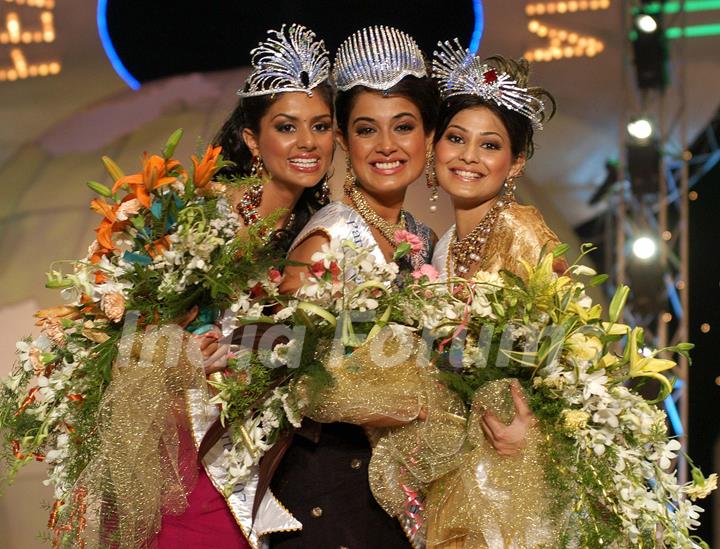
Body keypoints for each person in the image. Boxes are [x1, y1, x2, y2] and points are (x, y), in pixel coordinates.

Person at [155, 24, 335, 549]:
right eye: (287, 127)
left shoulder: (317, 232)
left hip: (255, 459)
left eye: (321, 126)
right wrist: (184, 352)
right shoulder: (198, 216)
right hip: (179, 449)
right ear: (253, 139)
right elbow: (128, 327)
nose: (307, 142)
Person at [267, 26, 439, 548]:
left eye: (403, 127)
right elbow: (278, 372)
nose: (386, 146)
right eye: (367, 130)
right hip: (326, 490)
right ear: (343, 142)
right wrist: (388, 406)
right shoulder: (328, 236)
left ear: (429, 138)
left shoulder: (423, 241)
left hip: (398, 496)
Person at [426, 42, 562, 548]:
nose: (468, 156)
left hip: (515, 473)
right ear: (435, 146)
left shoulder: (521, 231)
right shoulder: (441, 249)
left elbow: (571, 356)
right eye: (456, 138)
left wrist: (537, 436)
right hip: (461, 468)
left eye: (490, 145)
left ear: (517, 162)